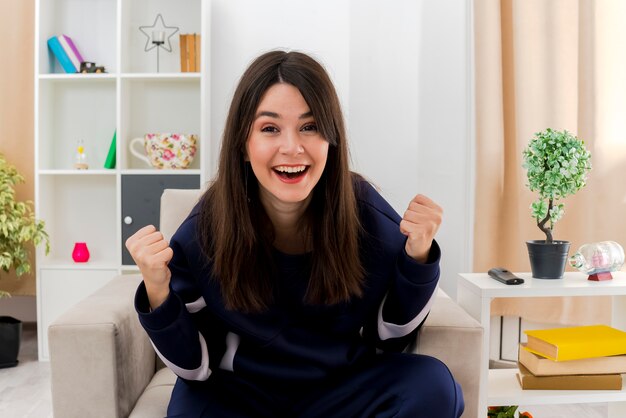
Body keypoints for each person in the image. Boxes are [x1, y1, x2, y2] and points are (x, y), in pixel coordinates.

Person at [126, 50, 464, 418]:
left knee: (434, 385)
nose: (292, 147)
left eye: (310, 126)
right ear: (243, 143)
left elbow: (391, 339)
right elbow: (196, 368)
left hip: (342, 390)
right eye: (270, 128)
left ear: (330, 139)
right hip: (243, 396)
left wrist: (418, 258)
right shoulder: (207, 226)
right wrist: (157, 290)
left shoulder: (364, 211)